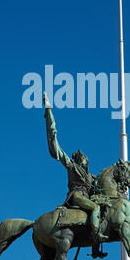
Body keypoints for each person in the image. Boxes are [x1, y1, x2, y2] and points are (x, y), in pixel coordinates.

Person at [43, 92, 108, 245]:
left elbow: (99, 189)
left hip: (87, 196)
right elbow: (55, 149)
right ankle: (96, 236)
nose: (86, 159)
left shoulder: (91, 177)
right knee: (96, 209)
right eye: (83, 157)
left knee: (104, 210)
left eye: (86, 158)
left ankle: (95, 246)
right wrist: (49, 113)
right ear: (79, 160)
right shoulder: (72, 167)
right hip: (76, 196)